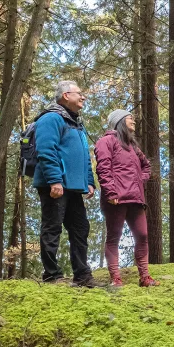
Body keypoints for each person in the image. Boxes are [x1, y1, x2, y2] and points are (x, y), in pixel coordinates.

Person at [33, 80, 99, 287]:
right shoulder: (51, 118)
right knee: (52, 228)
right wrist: (54, 180)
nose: (83, 97)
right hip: (56, 185)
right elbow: (46, 150)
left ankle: (82, 275)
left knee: (80, 229)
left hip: (74, 188)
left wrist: (89, 181)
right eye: (79, 93)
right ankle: (52, 275)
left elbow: (85, 157)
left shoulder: (76, 123)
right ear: (65, 96)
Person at [94, 109, 159, 287]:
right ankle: (116, 278)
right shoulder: (106, 141)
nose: (134, 121)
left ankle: (145, 277)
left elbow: (146, 167)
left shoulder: (133, 147)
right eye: (130, 118)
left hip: (136, 199)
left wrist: (140, 180)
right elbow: (103, 169)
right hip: (116, 199)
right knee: (114, 236)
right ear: (120, 121)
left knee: (143, 235)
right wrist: (111, 192)